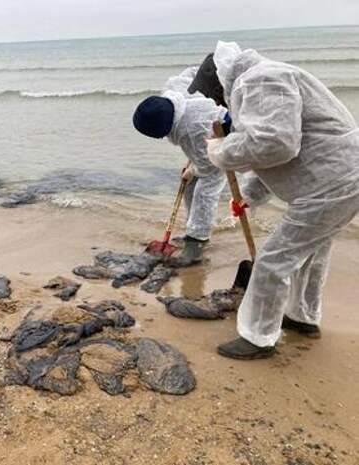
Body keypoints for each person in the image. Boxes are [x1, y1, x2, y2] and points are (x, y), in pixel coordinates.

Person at [189, 41, 359, 359]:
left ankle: (259, 337)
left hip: (329, 184)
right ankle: (302, 317)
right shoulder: (266, 78)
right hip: (341, 178)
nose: (215, 100)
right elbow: (278, 154)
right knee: (311, 254)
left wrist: (218, 151)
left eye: (212, 94)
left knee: (273, 260)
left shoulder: (258, 81)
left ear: (220, 81)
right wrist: (250, 196)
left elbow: (275, 145)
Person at [132, 67, 228, 266]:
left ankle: (197, 241)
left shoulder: (192, 130)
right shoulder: (174, 90)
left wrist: (192, 170)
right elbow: (192, 73)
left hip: (225, 135)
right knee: (189, 185)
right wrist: (206, 78)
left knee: (205, 190)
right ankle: (193, 229)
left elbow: (211, 166)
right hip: (205, 139)